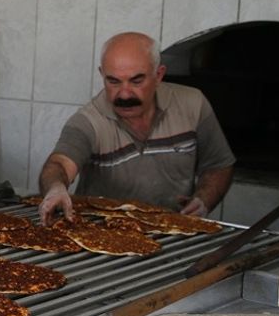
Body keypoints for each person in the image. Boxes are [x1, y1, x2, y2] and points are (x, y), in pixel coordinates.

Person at [38, 32, 235, 225]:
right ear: (102, 75)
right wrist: (56, 187)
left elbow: (218, 164)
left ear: (158, 75)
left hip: (172, 231)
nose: (124, 94)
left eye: (136, 81)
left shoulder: (193, 104)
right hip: (102, 232)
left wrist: (203, 199)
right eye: (113, 81)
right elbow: (59, 164)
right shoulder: (88, 121)